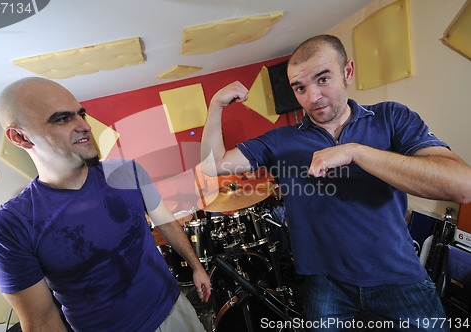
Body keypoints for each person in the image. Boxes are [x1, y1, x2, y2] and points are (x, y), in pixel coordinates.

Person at [200, 34, 471, 331]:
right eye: (300, 88)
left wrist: (355, 152)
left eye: (323, 79)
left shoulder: (390, 117)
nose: (312, 97)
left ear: (348, 72)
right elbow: (213, 166)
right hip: (326, 285)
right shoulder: (281, 140)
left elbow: (461, 186)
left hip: (398, 276)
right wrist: (215, 106)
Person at [0, 77, 211, 332]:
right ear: (20, 137)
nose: (84, 126)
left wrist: (196, 267)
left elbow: (166, 222)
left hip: (174, 308)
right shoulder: (10, 227)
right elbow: (42, 322)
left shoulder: (128, 171)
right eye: (62, 118)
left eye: (81, 114)